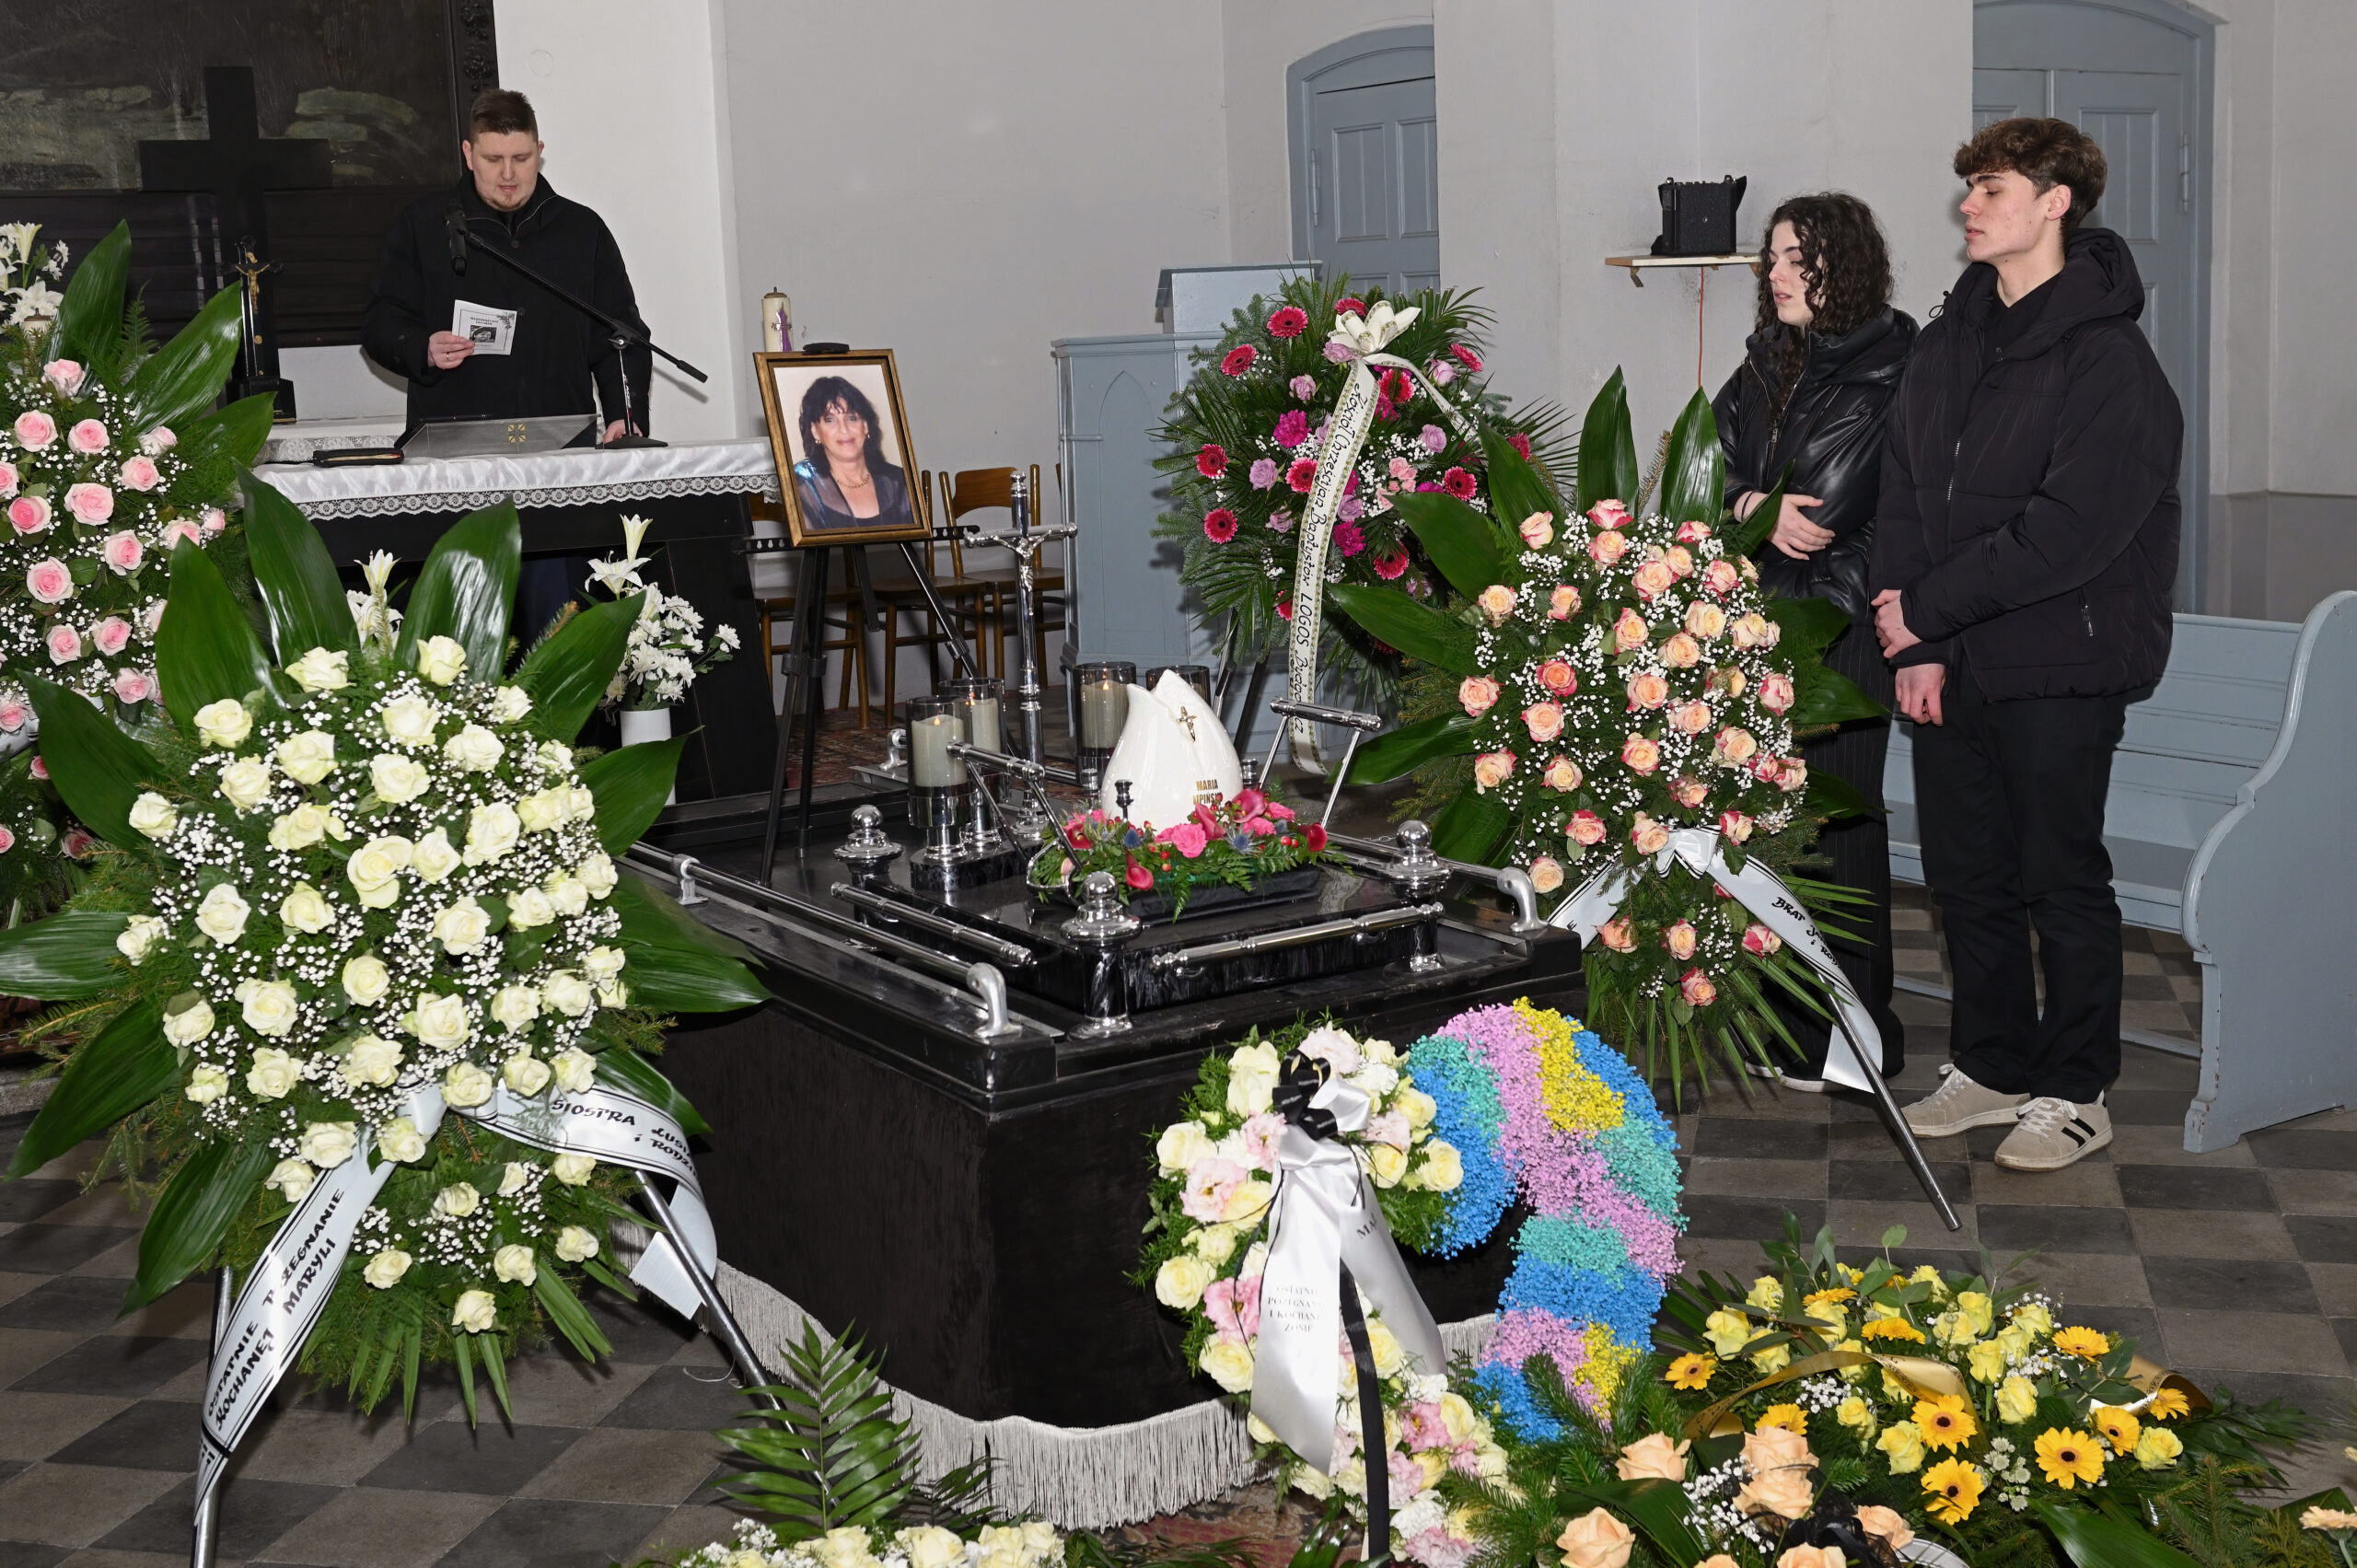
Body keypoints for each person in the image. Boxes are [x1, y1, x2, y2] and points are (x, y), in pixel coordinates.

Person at [1870, 118, 2182, 1172]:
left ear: (2054, 202)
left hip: (2061, 658)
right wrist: (1914, 640)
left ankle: (2076, 1088)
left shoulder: (2110, 358)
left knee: (2059, 879)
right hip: (1951, 657)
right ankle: (1992, 1062)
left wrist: (1925, 609)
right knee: (1967, 877)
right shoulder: (1947, 340)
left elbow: (2069, 530)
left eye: (1991, 188)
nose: (1968, 205)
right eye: (1968, 187)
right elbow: (1905, 493)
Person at [1713, 192, 1916, 1089]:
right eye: (1773, 256)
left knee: (1840, 828)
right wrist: (1750, 503)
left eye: (1798, 257)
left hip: (1839, 623)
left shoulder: (1888, 365)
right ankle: (1789, 1022)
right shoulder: (1765, 361)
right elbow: (1699, 472)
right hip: (1759, 621)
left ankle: (1858, 1034)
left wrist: (1749, 506)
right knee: (1773, 828)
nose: (1777, 273)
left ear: (1845, 265)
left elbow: (1824, 507)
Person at [363, 87, 651, 442]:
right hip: (454, 447)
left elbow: (621, 336)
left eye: (521, 158)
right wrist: (424, 348)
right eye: (493, 159)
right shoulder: (421, 226)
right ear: (469, 154)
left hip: (562, 447)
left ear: (539, 153)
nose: (508, 174)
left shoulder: (582, 230)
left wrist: (623, 416)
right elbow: (380, 323)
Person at [790, 375, 917, 533]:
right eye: (830, 420)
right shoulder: (801, 486)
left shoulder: (899, 481)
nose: (844, 429)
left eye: (851, 418)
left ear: (865, 426)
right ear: (815, 431)